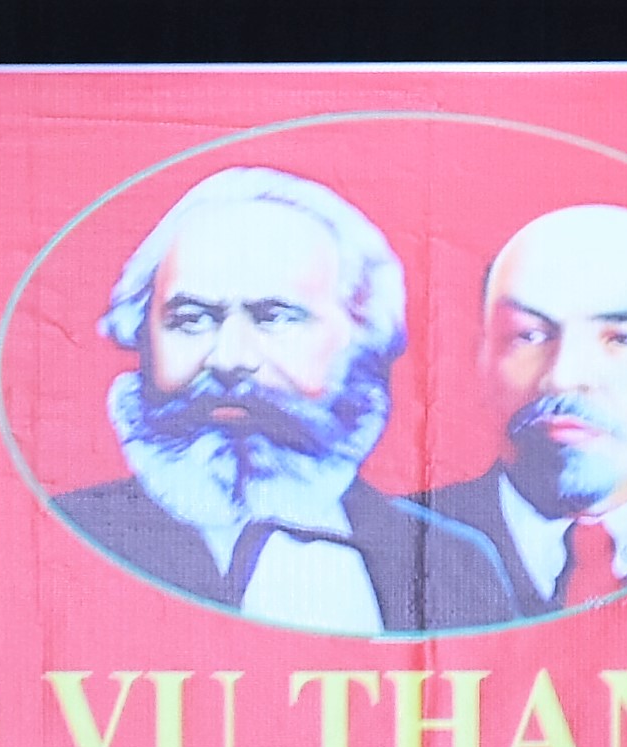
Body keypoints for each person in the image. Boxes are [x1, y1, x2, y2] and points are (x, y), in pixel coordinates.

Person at [47, 167, 511, 637]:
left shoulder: (453, 566)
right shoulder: (61, 541)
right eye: (191, 319)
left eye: (275, 317)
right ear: (142, 335)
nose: (230, 359)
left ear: (361, 337)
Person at [413, 204, 627, 614]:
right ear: (481, 362)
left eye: (621, 339)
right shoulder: (395, 544)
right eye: (529, 335)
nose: (563, 376)